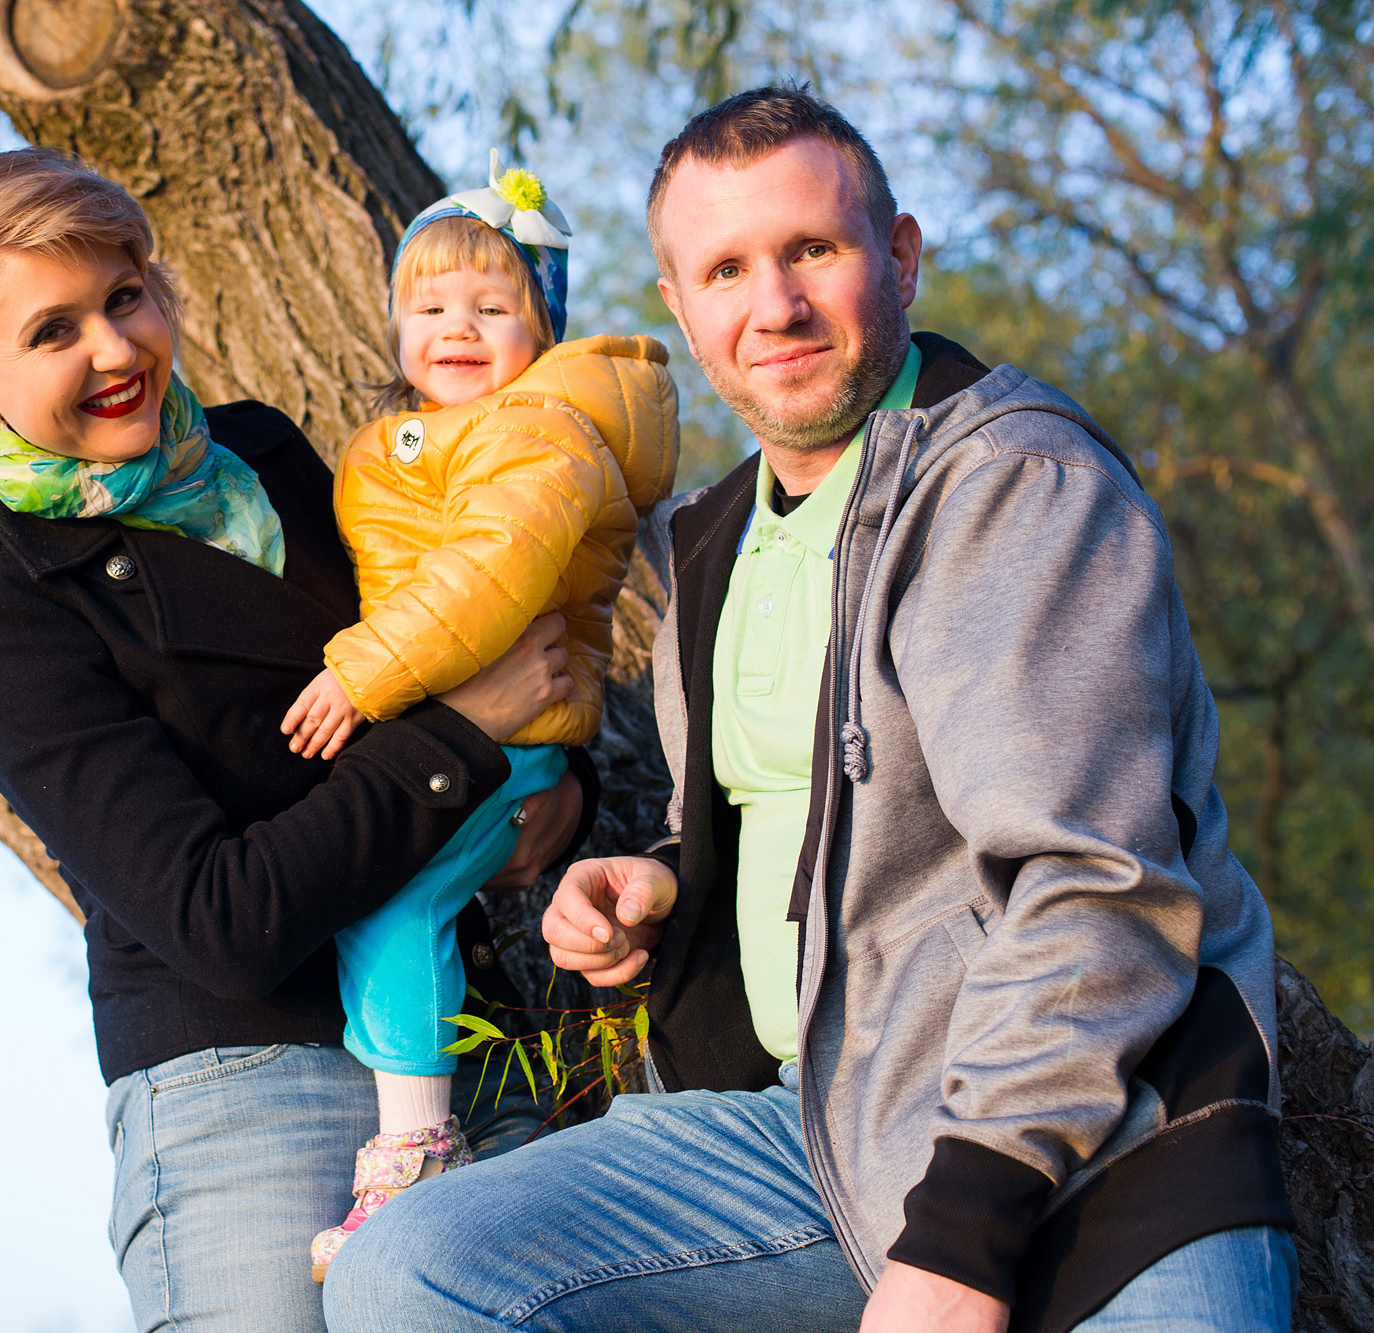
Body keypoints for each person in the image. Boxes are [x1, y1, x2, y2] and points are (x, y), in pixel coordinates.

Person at [324, 86, 1294, 1333]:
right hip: (815, 1131)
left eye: (811, 252)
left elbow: (1093, 886)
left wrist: (959, 1242)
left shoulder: (1008, 485)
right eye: (724, 268)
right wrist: (671, 880)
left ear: (896, 256)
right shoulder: (712, 537)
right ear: (678, 308)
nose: (770, 305)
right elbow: (835, 801)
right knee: (409, 1272)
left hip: (1104, 1145)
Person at [0, 146, 599, 1333]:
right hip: (244, 1087)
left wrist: (552, 808)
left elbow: (450, 660)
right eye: (51, 333)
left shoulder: (264, 457)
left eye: (122, 298)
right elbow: (221, 920)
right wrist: (462, 741)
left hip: (467, 1029)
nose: (112, 350)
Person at [278, 157, 678, 1277]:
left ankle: (413, 1150)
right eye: (429, 307)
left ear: (540, 325)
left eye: (491, 308)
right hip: (464, 722)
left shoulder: (536, 433)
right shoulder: (448, 431)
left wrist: (362, 673)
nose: (456, 327)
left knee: (394, 901)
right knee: (396, 902)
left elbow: (488, 572)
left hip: (502, 731)